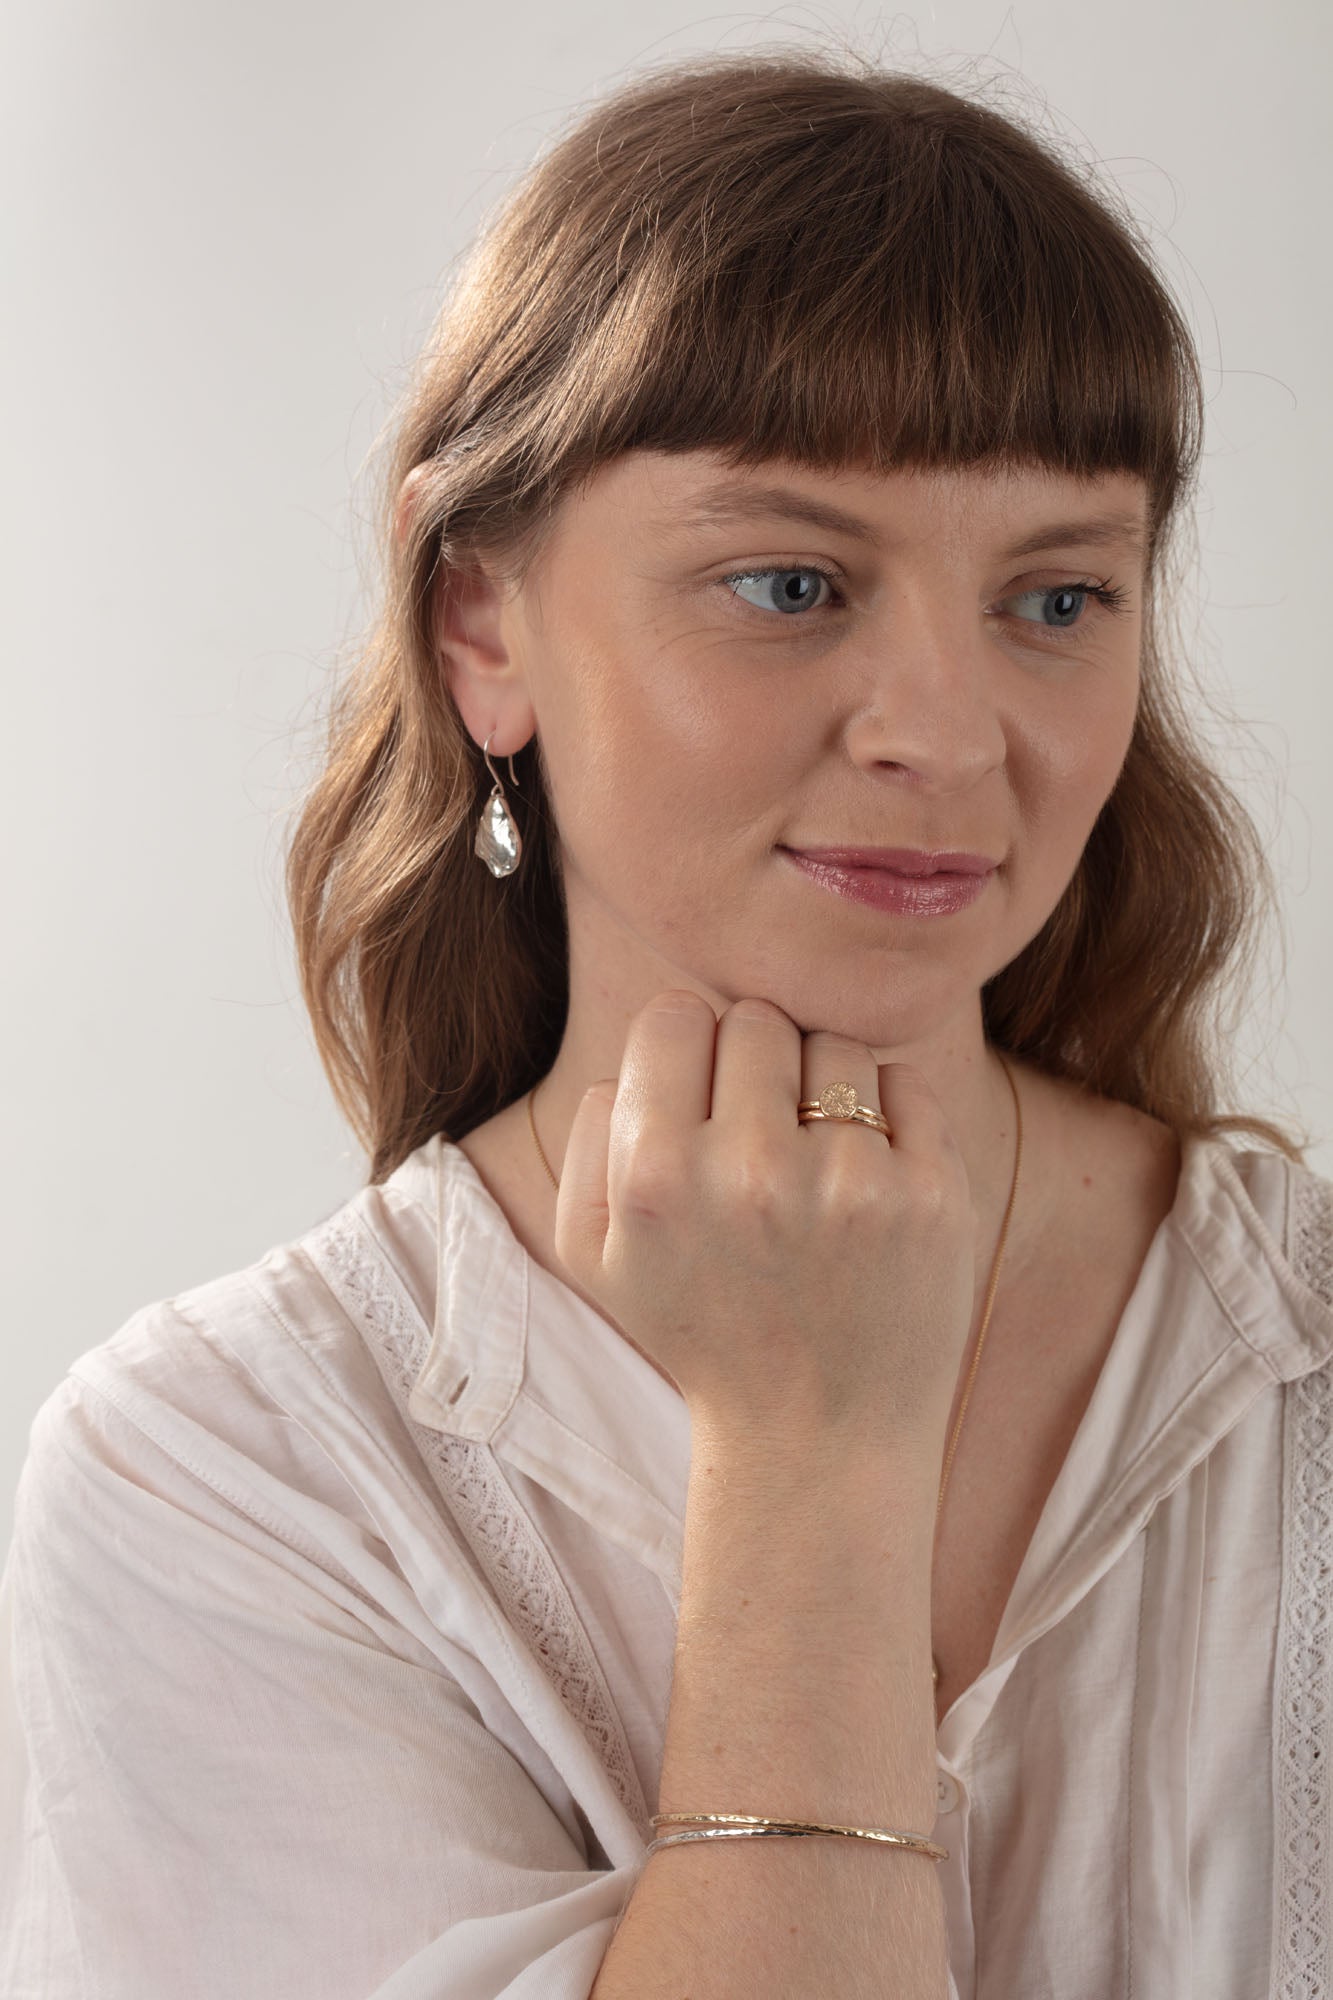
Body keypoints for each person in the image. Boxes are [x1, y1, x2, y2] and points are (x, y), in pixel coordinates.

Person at [3, 43, 1331, 2000]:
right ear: (482, 627)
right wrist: (810, 1442)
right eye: (791, 580)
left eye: (1057, 601)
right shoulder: (217, 1479)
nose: (949, 735)